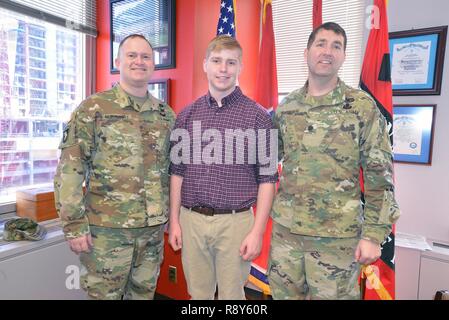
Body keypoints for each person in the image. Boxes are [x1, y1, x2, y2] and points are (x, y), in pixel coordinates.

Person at [268, 22, 400, 300]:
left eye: (336, 46)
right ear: (306, 53)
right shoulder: (287, 107)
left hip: (337, 241)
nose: (327, 51)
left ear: (343, 55)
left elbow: (380, 175)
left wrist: (374, 235)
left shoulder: (361, 107)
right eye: (321, 43)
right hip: (286, 237)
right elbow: (267, 163)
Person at [54, 34, 175, 300]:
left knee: (143, 295)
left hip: (151, 233)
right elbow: (70, 169)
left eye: (145, 57)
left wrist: (172, 220)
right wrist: (74, 224)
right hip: (106, 233)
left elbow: (173, 171)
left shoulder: (166, 115)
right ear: (118, 61)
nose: (139, 61)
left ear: (153, 65)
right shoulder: (93, 109)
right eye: (132, 55)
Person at [168, 35, 278, 300]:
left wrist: (258, 231)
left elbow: (268, 179)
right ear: (205, 64)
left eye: (231, 62)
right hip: (191, 220)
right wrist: (174, 221)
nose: (223, 69)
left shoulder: (259, 117)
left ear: (240, 67)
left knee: (232, 296)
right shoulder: (185, 115)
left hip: (236, 223)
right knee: (198, 294)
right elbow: (176, 173)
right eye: (216, 61)